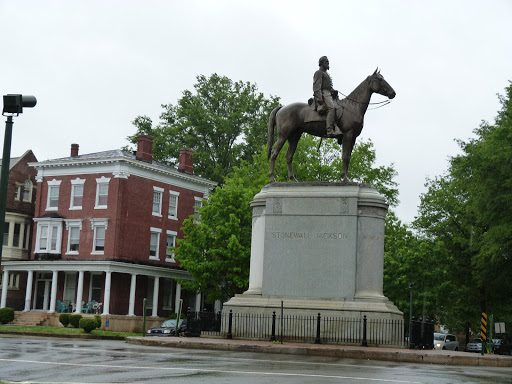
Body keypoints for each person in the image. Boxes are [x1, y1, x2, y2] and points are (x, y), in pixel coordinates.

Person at [313, 56, 342, 137]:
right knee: (331, 108)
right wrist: (320, 99)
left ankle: (336, 127)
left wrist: (333, 91)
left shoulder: (326, 74)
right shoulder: (318, 73)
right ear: (321, 63)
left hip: (328, 93)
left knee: (338, 107)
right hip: (323, 93)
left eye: (328, 62)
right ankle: (330, 130)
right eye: (326, 62)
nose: (328, 63)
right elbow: (316, 87)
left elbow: (328, 86)